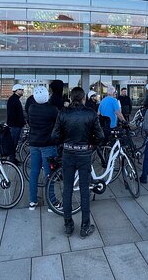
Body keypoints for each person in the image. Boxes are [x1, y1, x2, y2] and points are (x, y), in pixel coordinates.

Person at [51, 87, 104, 238]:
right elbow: (100, 136)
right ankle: (85, 226)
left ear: (71, 97)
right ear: (83, 98)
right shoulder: (90, 113)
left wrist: (64, 143)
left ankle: (68, 225)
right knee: (84, 189)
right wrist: (91, 144)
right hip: (84, 154)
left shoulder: (63, 113)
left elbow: (55, 136)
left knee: (67, 189)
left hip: (68, 153)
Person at [26, 86, 59, 211]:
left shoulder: (31, 108)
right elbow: (58, 123)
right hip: (48, 145)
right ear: (47, 96)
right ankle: (52, 202)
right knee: (49, 174)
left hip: (34, 144)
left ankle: (32, 201)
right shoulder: (52, 109)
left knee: (34, 173)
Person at [6, 84, 26, 164]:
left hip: (16, 125)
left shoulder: (14, 99)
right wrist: (21, 121)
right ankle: (12, 159)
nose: (22, 91)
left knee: (14, 143)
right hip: (15, 126)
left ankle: (12, 158)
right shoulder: (14, 100)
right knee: (13, 143)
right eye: (21, 89)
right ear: (16, 90)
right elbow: (13, 115)